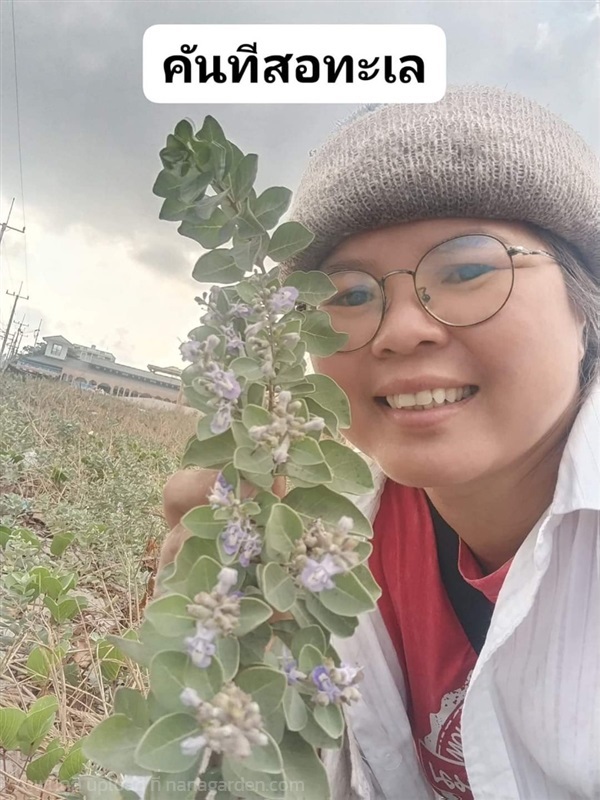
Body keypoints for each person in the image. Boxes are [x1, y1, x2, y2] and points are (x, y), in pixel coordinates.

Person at [160, 86, 600, 799]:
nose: (401, 330)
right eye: (349, 294)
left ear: (587, 302)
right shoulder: (314, 527)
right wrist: (244, 669)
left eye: (465, 271)